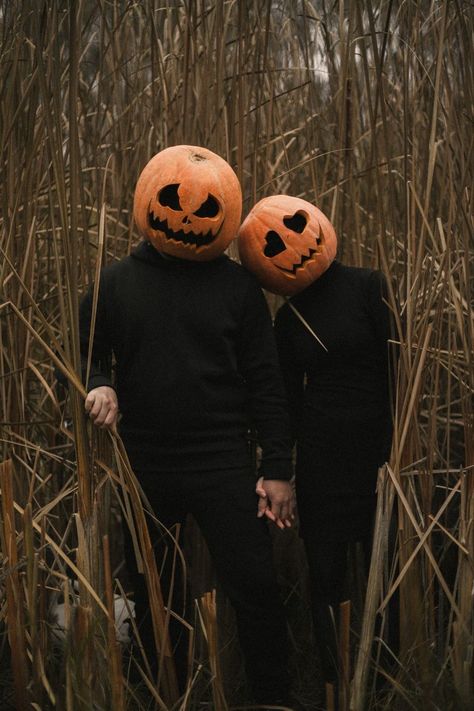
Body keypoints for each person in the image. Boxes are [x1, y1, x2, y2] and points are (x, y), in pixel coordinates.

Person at [79, 146, 294, 706]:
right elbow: (89, 355)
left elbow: (266, 381)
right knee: (157, 592)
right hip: (145, 461)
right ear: (150, 201)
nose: (188, 217)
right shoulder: (114, 284)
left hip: (224, 459)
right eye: (174, 201)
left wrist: (276, 467)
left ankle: (272, 696)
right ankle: (160, 695)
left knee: (254, 585)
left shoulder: (239, 290)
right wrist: (100, 382)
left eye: (207, 208)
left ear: (227, 214)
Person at [238, 194, 397, 703]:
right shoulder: (287, 321)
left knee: (385, 562)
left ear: (320, 225)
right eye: (272, 244)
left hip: (384, 455)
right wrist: (279, 467)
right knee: (326, 572)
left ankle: (387, 676)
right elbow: (281, 401)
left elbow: (403, 372)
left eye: (296, 227)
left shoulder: (369, 287)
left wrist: (398, 448)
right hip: (324, 459)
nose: (289, 245)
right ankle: (333, 678)